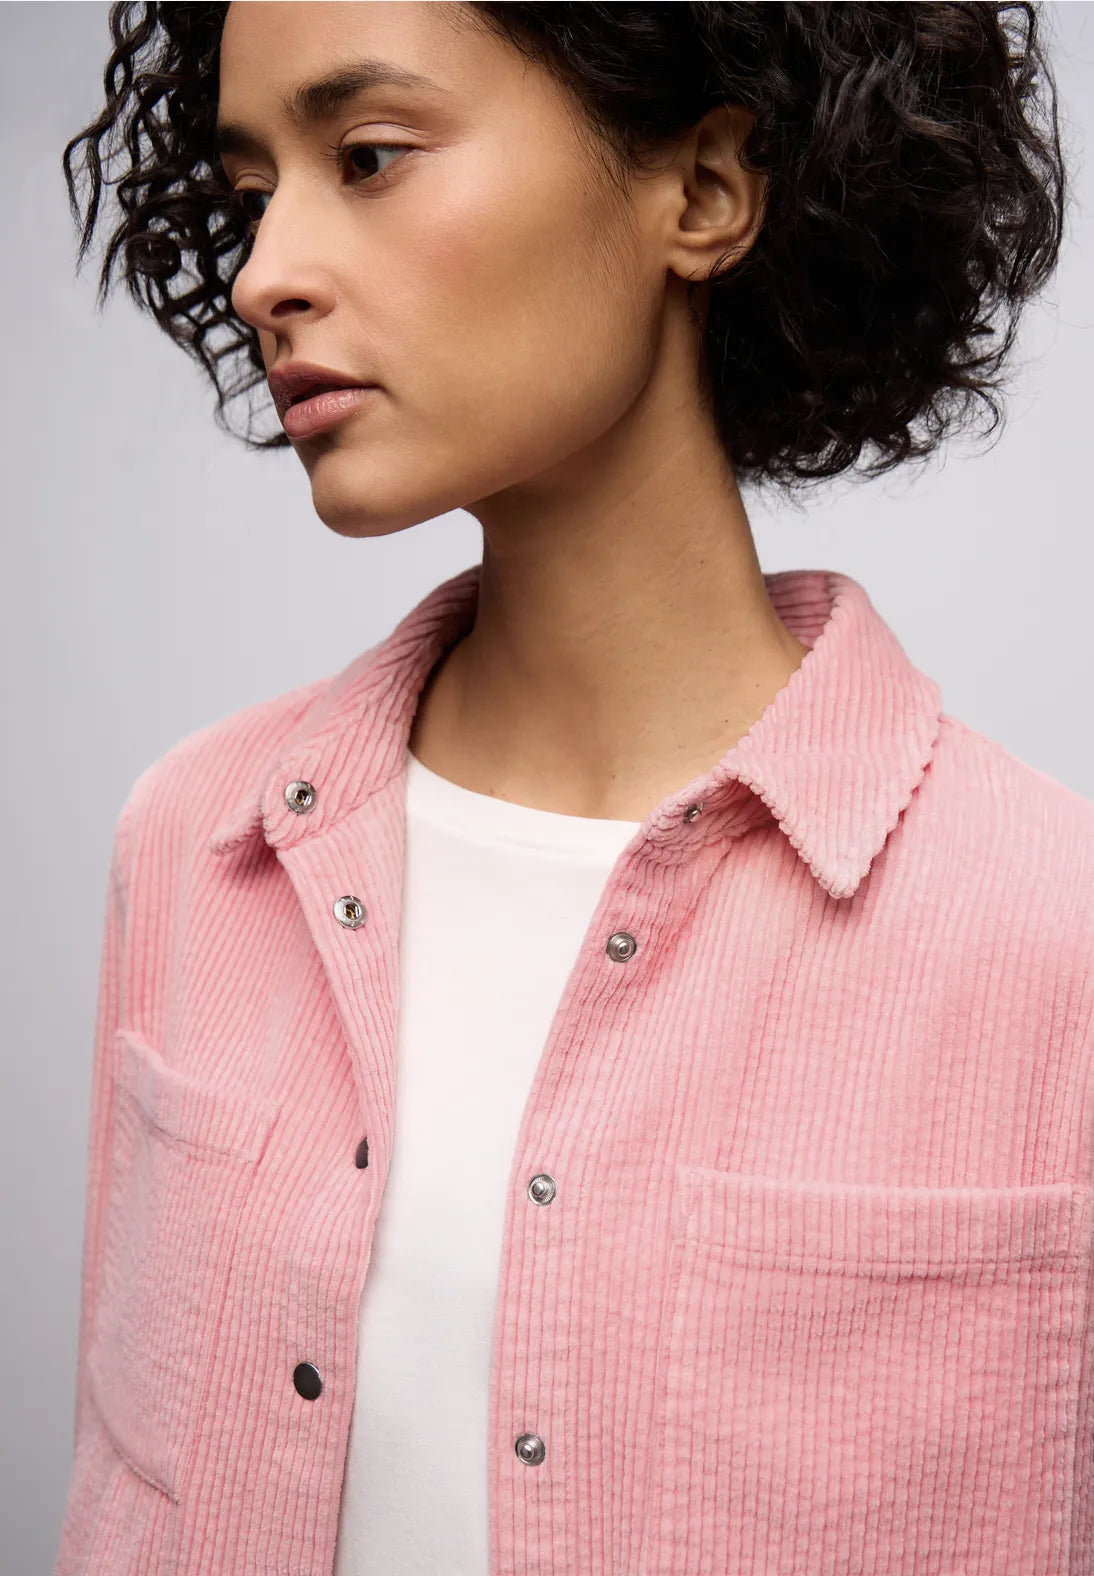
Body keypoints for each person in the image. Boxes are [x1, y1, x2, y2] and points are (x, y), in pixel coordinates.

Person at [54, 4, 1089, 1574]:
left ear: (703, 192)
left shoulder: (1051, 939)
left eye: (369, 155)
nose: (267, 271)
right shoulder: (196, 846)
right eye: (255, 187)